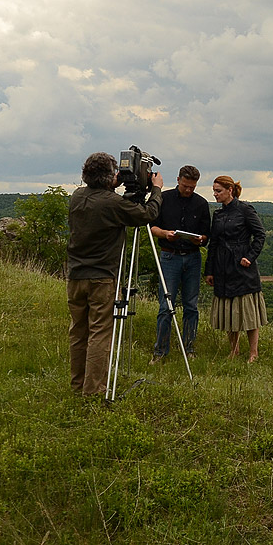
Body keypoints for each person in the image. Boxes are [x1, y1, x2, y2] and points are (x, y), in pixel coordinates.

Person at [66, 152, 163, 397]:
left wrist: (113, 182)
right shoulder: (113, 204)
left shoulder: (77, 197)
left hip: (76, 275)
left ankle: (78, 386)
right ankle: (94, 390)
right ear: (110, 177)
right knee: (99, 332)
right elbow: (148, 215)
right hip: (102, 277)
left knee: (79, 332)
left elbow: (102, 197)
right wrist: (157, 190)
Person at [149, 165, 211, 363]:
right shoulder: (164, 199)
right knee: (166, 306)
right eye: (185, 186)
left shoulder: (201, 204)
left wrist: (200, 239)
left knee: (191, 306)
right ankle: (160, 351)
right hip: (169, 256)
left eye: (192, 187)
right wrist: (166, 234)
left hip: (192, 256)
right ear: (178, 180)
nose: (188, 190)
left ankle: (189, 348)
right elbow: (153, 227)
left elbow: (206, 233)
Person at [204, 175, 267, 362]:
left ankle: (253, 353)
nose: (215, 194)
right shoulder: (218, 214)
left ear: (229, 190)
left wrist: (250, 256)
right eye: (214, 191)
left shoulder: (245, 210)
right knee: (228, 312)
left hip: (242, 268)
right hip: (222, 268)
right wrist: (209, 270)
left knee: (248, 312)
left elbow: (260, 235)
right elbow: (213, 243)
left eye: (218, 191)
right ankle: (234, 350)